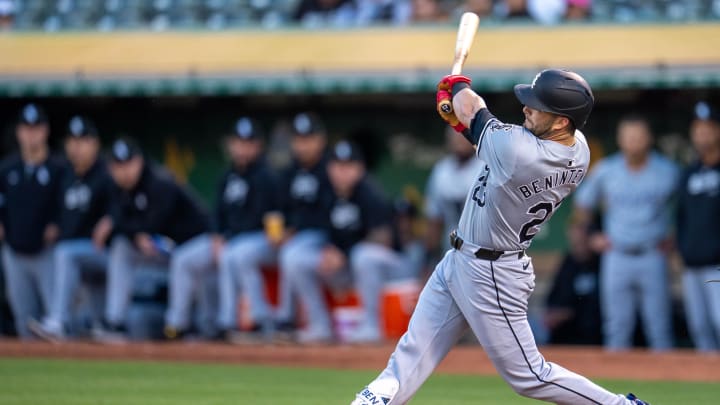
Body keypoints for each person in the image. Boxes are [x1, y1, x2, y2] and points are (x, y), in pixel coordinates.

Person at [351, 70, 650, 405]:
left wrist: (457, 85)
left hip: (491, 272)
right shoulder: (577, 150)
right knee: (412, 352)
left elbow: (473, 110)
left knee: (529, 375)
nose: (526, 108)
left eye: (538, 106)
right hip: (462, 259)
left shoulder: (520, 151)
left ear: (563, 122)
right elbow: (488, 137)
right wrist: (464, 123)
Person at [574, 115, 678, 352]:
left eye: (638, 136)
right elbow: (583, 207)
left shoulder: (667, 170)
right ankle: (614, 388)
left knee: (659, 327)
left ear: (649, 139)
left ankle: (667, 381)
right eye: (628, 137)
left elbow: (686, 206)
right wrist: (592, 235)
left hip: (652, 253)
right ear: (620, 140)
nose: (633, 142)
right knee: (616, 327)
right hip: (617, 254)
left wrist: (675, 234)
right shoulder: (607, 170)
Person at [93, 138, 211, 342]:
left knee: (182, 259)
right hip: (163, 248)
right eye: (118, 166)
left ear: (139, 162)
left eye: (128, 164)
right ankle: (114, 321)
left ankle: (177, 327)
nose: (124, 171)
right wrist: (127, 230)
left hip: (196, 241)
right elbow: (133, 229)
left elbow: (152, 225)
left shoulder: (159, 181)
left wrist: (116, 224)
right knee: (122, 248)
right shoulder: (116, 189)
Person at [28, 116, 113, 341]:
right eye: (72, 141)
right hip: (79, 257)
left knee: (65, 253)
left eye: (83, 141)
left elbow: (124, 204)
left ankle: (57, 321)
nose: (77, 147)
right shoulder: (64, 174)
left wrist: (111, 220)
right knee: (96, 327)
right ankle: (60, 324)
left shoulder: (106, 172)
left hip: (106, 253)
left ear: (95, 143)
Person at [200, 117, 279, 342]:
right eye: (239, 142)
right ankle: (208, 323)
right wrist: (216, 237)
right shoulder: (227, 175)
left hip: (260, 239)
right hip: (231, 240)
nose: (243, 148)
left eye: (249, 142)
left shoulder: (267, 175)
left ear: (258, 145)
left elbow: (276, 215)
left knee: (235, 254)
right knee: (191, 258)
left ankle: (257, 318)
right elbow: (216, 213)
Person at [0, 104, 64, 339]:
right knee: (24, 319)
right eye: (26, 129)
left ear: (45, 131)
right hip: (14, 252)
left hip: (46, 252)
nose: (31, 134)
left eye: (36, 128)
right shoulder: (7, 168)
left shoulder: (59, 168)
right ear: (19, 132)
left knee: (54, 318)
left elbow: (67, 207)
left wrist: (57, 225)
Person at [275, 112, 335, 342]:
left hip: (321, 237)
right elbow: (280, 209)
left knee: (292, 254)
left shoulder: (329, 168)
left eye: (308, 138)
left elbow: (332, 213)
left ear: (320, 140)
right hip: (295, 238)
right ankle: (277, 321)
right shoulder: (289, 173)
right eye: (299, 139)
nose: (303, 145)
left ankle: (299, 321)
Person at [676, 102, 720, 352]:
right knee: (700, 328)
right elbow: (681, 217)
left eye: (708, 128)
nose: (702, 134)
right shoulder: (689, 172)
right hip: (692, 265)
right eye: (698, 129)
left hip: (717, 266)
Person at [425, 125, 487, 254]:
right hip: (450, 247)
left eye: (462, 136)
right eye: (455, 137)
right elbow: (435, 218)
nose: (459, 141)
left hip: (482, 247)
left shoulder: (486, 167)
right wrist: (429, 256)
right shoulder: (441, 170)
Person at [543, 218, 602, 345]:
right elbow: (554, 296)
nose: (577, 242)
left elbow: (595, 307)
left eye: (581, 239)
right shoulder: (568, 261)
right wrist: (552, 313)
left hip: (589, 335)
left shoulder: (600, 263)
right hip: (561, 332)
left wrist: (568, 313)